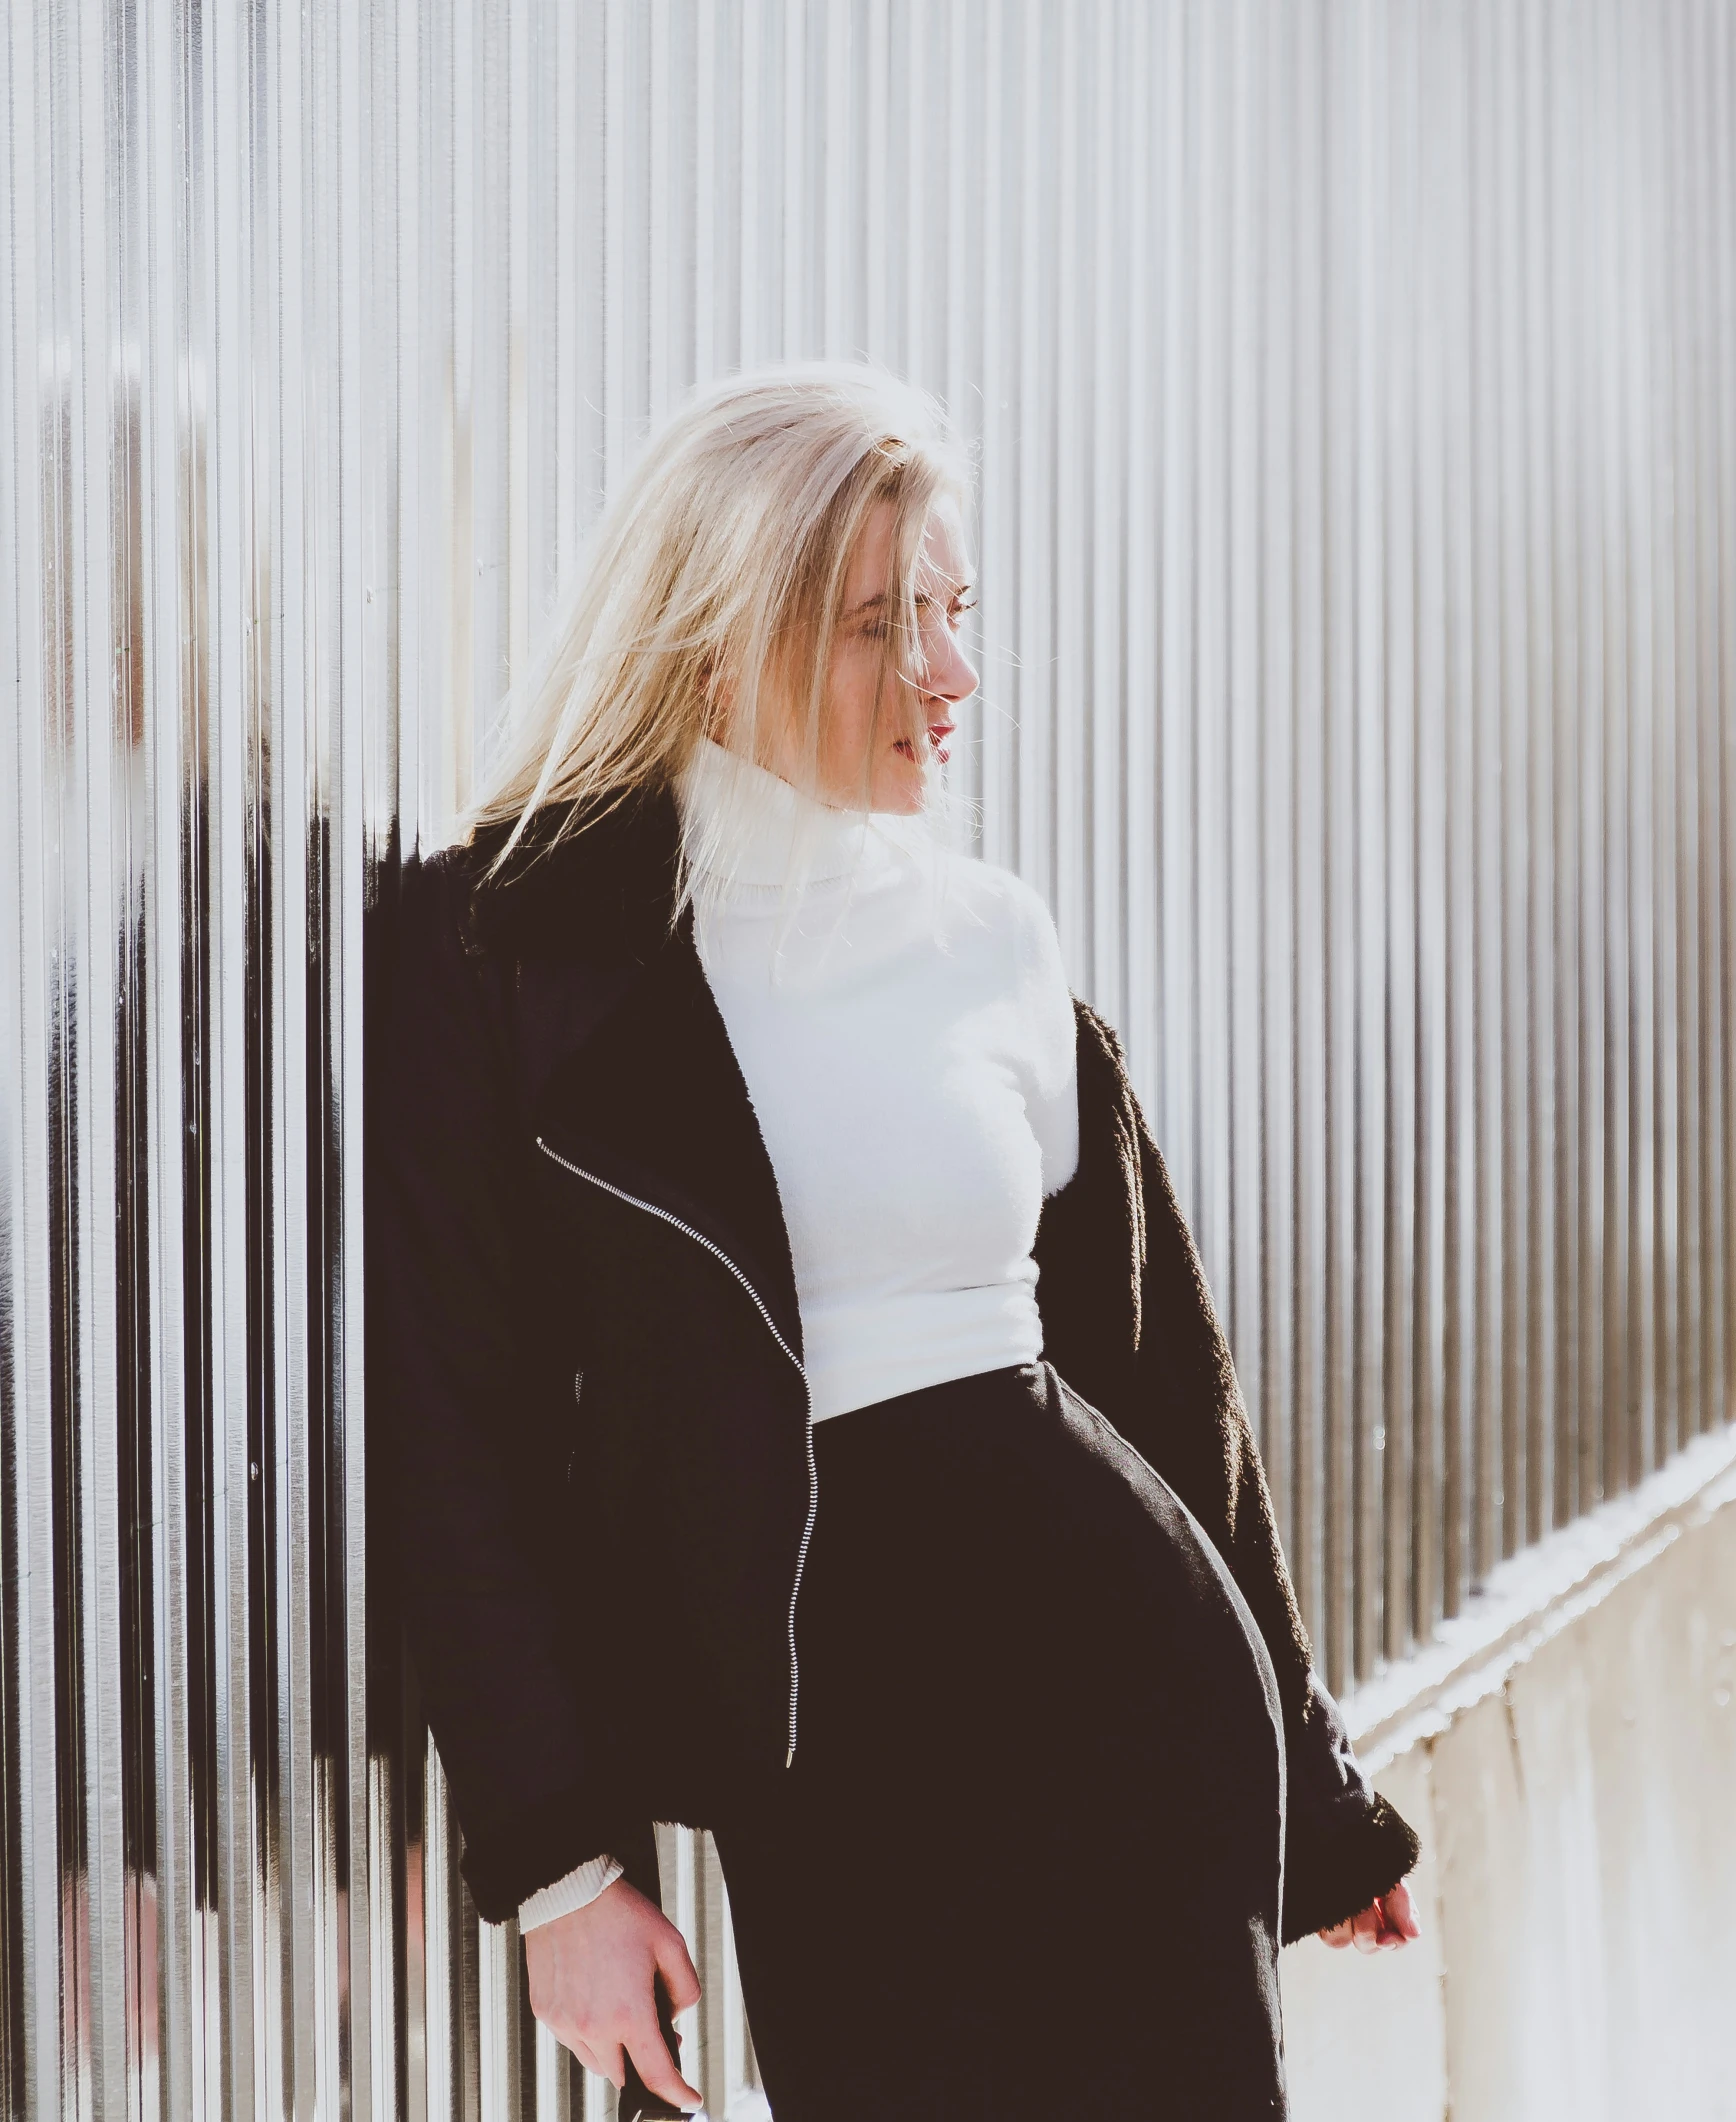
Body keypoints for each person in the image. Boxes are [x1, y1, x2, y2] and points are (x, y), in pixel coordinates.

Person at [367, 362, 1421, 2121]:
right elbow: (452, 1425)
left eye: (953, 609)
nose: (951, 674)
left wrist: (1316, 1790)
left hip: (1130, 1693)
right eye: (880, 623)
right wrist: (559, 1867)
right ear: (716, 640)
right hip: (834, 1764)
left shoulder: (994, 936)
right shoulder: (512, 950)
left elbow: (1164, 1380)